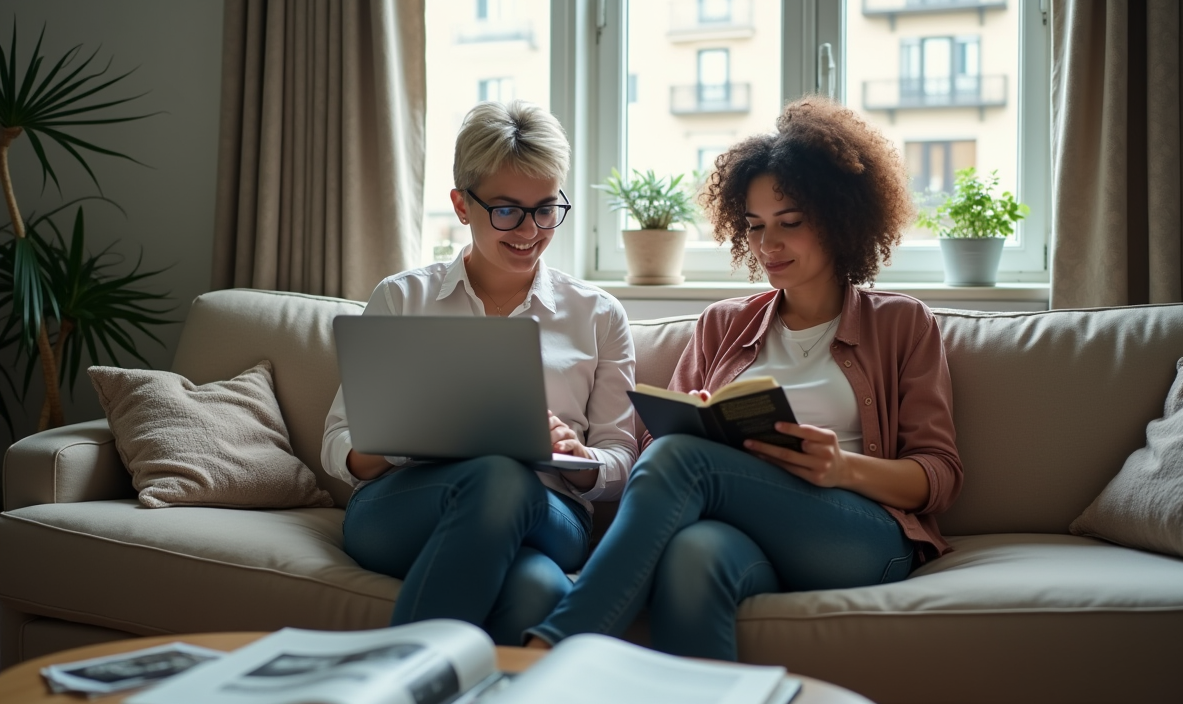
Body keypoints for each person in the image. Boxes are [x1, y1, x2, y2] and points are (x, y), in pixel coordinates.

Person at [526, 96, 964, 660]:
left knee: (684, 459)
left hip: (858, 534)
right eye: (754, 226)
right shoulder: (722, 325)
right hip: (740, 528)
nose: (767, 245)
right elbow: (657, 449)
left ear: (841, 219)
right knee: (694, 553)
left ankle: (557, 643)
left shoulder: (901, 323)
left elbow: (941, 475)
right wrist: (706, 427)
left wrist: (842, 467)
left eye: (791, 223)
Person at [322, 101, 637, 645]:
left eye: (545, 209)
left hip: (551, 513)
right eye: (508, 210)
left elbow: (620, 458)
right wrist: (407, 435)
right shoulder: (402, 298)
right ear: (461, 206)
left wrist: (579, 459)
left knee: (504, 478)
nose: (531, 230)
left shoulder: (599, 315)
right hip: (405, 508)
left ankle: (393, 696)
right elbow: (338, 444)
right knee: (537, 589)